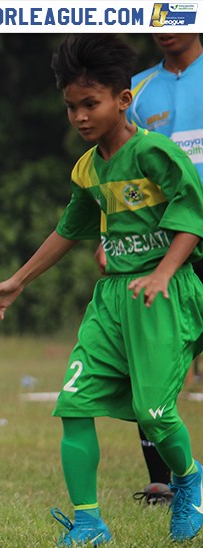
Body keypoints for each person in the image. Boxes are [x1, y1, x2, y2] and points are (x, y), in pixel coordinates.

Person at [0, 34, 203, 547]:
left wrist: (163, 272)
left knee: (154, 412)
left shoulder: (155, 153)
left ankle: (189, 479)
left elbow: (192, 219)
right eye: (71, 107)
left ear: (123, 100)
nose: (80, 116)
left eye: (91, 104)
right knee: (75, 404)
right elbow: (69, 229)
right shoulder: (87, 169)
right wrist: (17, 281)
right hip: (112, 300)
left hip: (163, 296)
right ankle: (88, 523)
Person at [125, 33, 203, 501]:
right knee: (150, 357)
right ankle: (163, 478)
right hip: (158, 245)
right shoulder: (135, 90)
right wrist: (109, 234)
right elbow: (119, 166)